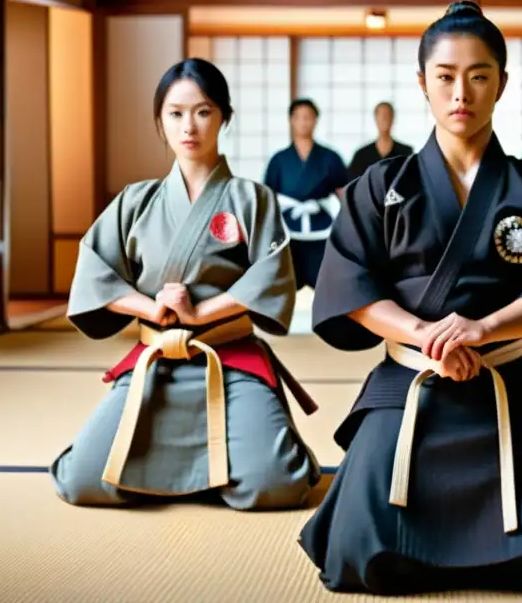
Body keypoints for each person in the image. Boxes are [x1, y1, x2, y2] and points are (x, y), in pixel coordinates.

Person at [298, 1, 522, 595]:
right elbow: (351, 283)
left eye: (479, 76)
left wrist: (483, 329)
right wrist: (426, 335)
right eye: (445, 77)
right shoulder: (381, 185)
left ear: (501, 83)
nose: (461, 93)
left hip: (504, 379)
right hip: (410, 378)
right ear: (422, 83)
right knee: (358, 553)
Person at [50, 58, 320, 510]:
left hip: (229, 358)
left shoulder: (251, 199)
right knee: (82, 481)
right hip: (156, 360)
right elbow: (94, 271)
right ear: (160, 121)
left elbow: (273, 277)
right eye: (175, 113)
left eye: (203, 111)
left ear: (223, 117)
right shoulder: (136, 201)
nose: (189, 126)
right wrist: (151, 309)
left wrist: (201, 314)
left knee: (276, 485)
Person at [262, 99, 350, 290]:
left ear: (315, 120)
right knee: (285, 283)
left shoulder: (330, 157)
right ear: (291, 120)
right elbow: (268, 197)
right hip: (288, 230)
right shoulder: (279, 159)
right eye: (299, 117)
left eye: (308, 117)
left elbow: (343, 193)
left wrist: (347, 228)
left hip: (323, 229)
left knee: (327, 285)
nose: (303, 122)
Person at [347, 101, 414, 180]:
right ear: (375, 119)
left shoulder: (406, 152)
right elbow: (353, 184)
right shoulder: (361, 155)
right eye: (382, 116)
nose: (385, 119)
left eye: (388, 116)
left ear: (393, 118)